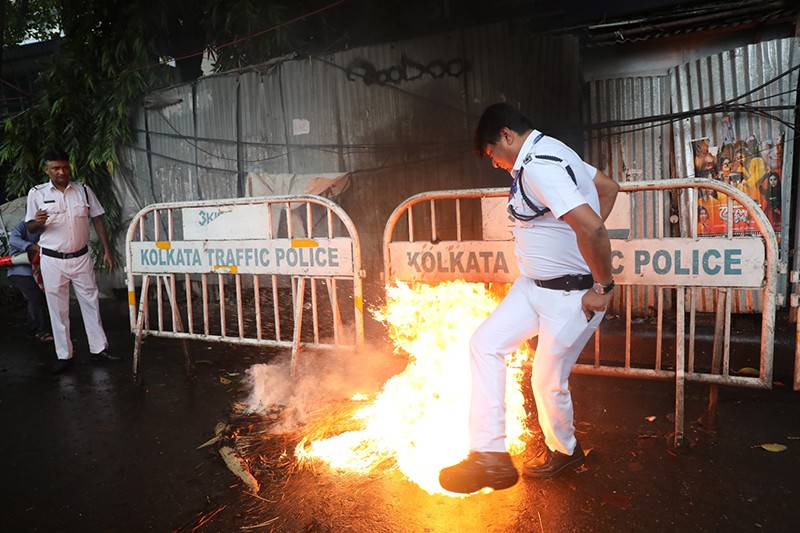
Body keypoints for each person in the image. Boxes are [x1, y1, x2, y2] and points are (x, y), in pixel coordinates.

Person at [439, 104, 619, 493]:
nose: (494, 163)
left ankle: (566, 451)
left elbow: (593, 229)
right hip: (531, 286)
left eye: (491, 154)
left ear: (506, 135)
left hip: (571, 295)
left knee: (547, 381)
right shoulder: (552, 151)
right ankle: (488, 457)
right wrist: (575, 239)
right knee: (485, 344)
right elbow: (607, 187)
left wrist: (602, 286)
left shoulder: (540, 165)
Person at [25, 149, 121, 374]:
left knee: (91, 303)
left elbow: (97, 219)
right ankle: (64, 355)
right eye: (56, 168)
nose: (61, 172)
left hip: (81, 257)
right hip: (52, 260)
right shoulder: (36, 193)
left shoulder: (84, 191)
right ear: (46, 170)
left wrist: (107, 250)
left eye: (64, 167)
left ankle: (99, 350)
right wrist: (38, 222)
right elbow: (30, 228)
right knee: (58, 309)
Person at [7, 219, 53, 342]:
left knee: (38, 299)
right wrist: (32, 247)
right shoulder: (21, 225)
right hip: (20, 270)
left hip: (40, 271)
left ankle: (33, 329)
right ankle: (43, 331)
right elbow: (13, 240)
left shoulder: (48, 226)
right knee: (35, 297)